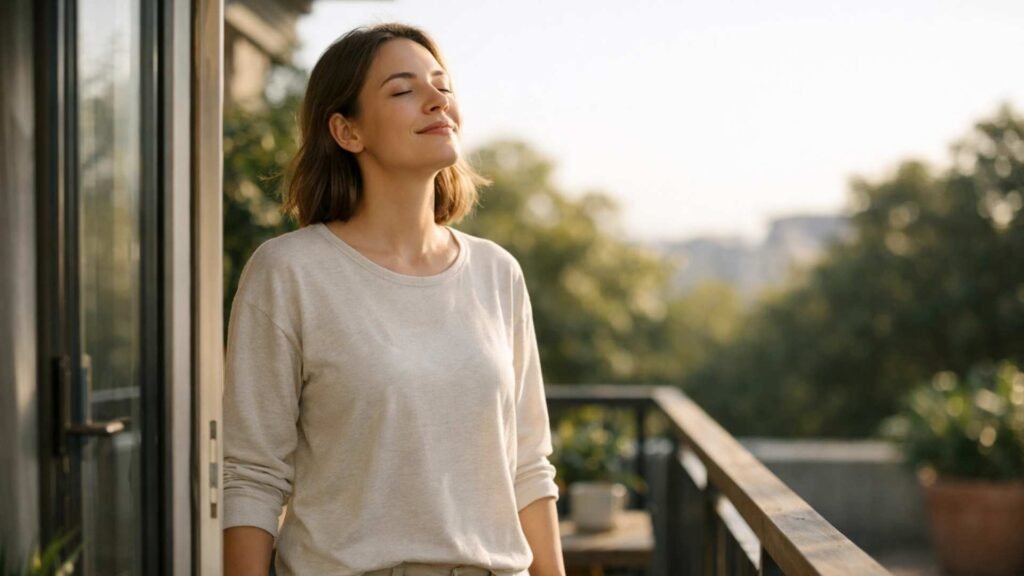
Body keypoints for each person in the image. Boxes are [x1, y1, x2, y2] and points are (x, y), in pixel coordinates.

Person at [221, 22, 566, 576]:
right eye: (404, 90)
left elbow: (529, 465)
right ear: (347, 131)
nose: (437, 100)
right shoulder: (289, 272)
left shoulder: (497, 272)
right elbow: (252, 477)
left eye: (442, 86)